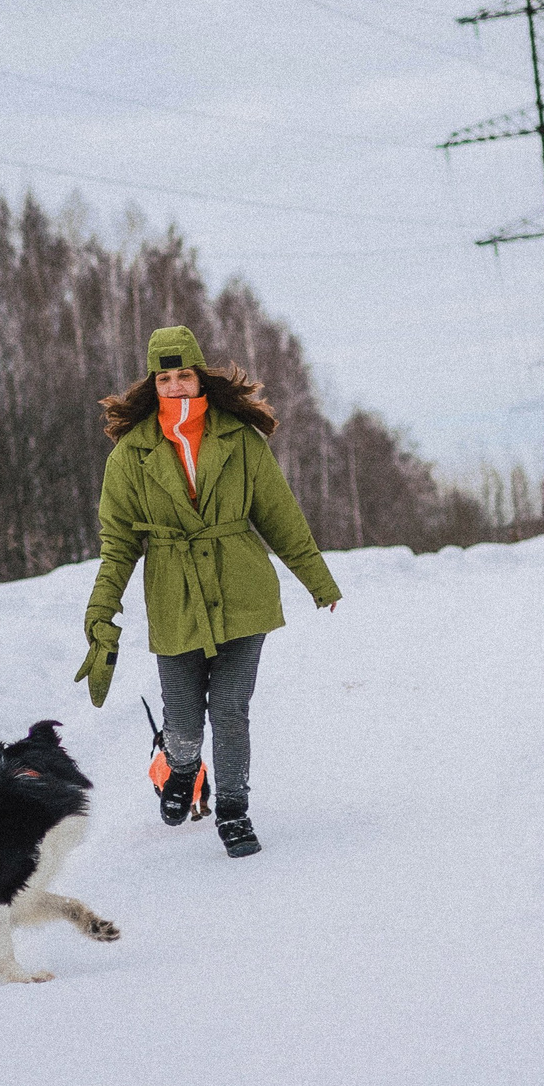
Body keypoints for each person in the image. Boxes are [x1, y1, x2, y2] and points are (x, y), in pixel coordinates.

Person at [76, 326, 340, 858]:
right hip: (174, 597)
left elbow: (278, 514)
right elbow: (119, 543)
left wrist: (316, 579)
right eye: (165, 377)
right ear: (153, 384)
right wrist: (101, 612)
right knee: (183, 720)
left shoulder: (240, 439)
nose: (175, 386)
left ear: (201, 378)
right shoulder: (131, 454)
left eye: (185, 375)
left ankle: (234, 810)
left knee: (230, 707)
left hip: (243, 592)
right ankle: (182, 767)